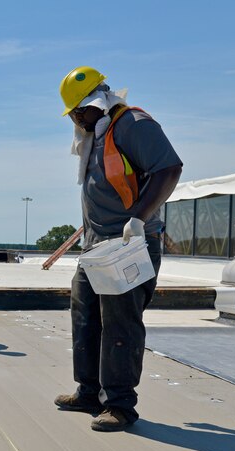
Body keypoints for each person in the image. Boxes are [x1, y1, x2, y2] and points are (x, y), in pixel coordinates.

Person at [54, 67, 183, 431]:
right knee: (85, 317)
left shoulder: (133, 125)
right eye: (73, 114)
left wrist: (140, 218)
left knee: (121, 323)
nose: (76, 119)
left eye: (80, 111)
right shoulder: (95, 133)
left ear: (98, 102)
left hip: (129, 244)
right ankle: (89, 392)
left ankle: (121, 405)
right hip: (96, 246)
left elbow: (169, 168)